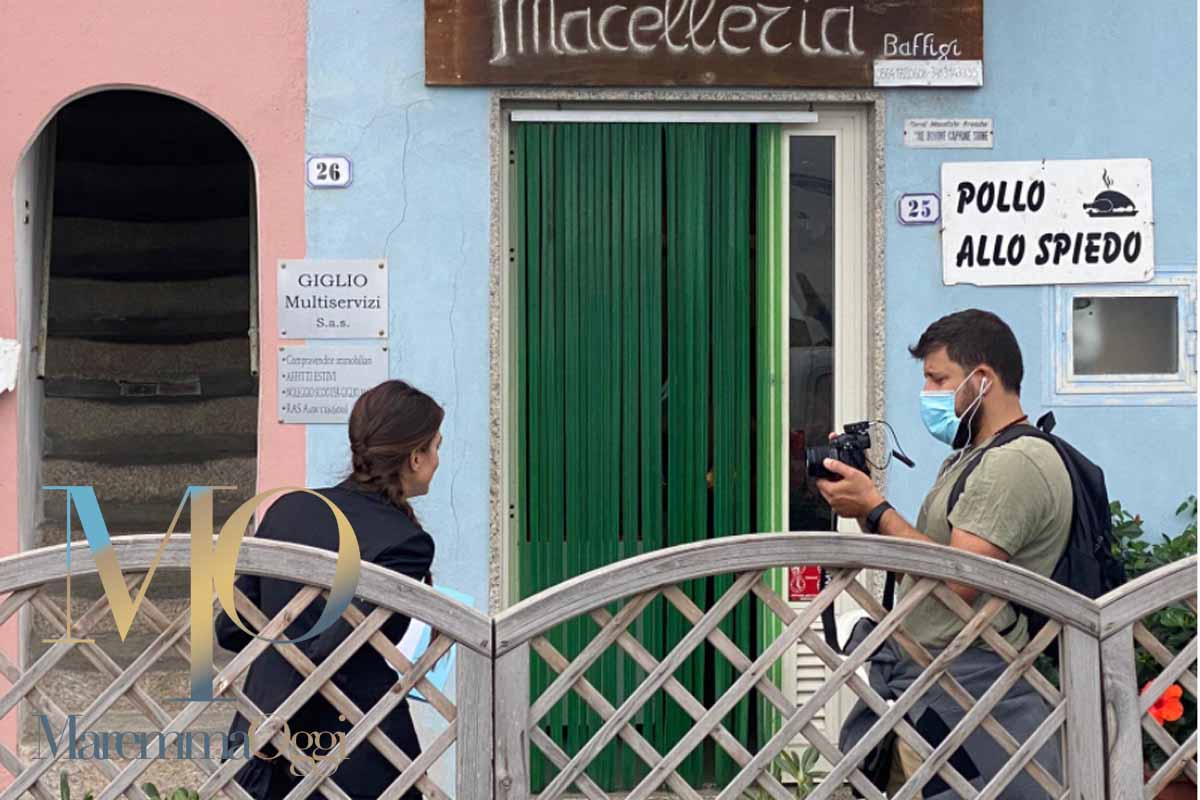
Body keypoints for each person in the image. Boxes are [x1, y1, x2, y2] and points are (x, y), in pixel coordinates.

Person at [816, 309, 1069, 799]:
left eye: (938, 378)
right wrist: (864, 508)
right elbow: (931, 559)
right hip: (937, 684)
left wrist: (876, 506)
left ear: (982, 380)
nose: (928, 393)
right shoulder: (973, 458)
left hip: (969, 691)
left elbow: (958, 576)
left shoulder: (1014, 463)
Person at [216, 379, 443, 800]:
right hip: (355, 744)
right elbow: (335, 654)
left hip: (260, 735)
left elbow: (229, 629)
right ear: (415, 457)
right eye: (435, 448)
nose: (436, 460)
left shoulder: (289, 508)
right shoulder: (405, 541)